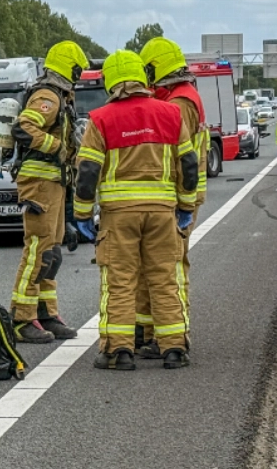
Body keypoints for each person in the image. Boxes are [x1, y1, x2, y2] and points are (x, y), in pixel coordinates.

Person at [72, 50, 199, 371]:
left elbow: (87, 171)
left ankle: (118, 352)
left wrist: (83, 214)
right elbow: (189, 164)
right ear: (143, 78)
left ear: (111, 82)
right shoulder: (171, 114)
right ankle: (174, 348)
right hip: (162, 214)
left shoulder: (101, 119)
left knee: (120, 281)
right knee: (164, 278)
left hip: (119, 216)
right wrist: (185, 205)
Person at [8, 40, 89, 344]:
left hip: (53, 183)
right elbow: (24, 128)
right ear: (71, 67)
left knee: (52, 254)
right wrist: (59, 148)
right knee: (38, 253)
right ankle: (21, 318)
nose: (80, 76)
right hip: (39, 181)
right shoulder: (48, 95)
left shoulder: (59, 95)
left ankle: (46, 314)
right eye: (79, 70)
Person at [138, 36, 207, 358]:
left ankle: (174, 337)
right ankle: (153, 333)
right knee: (156, 266)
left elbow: (181, 158)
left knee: (171, 268)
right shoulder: (179, 96)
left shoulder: (181, 102)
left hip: (178, 197)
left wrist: (183, 202)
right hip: (173, 196)